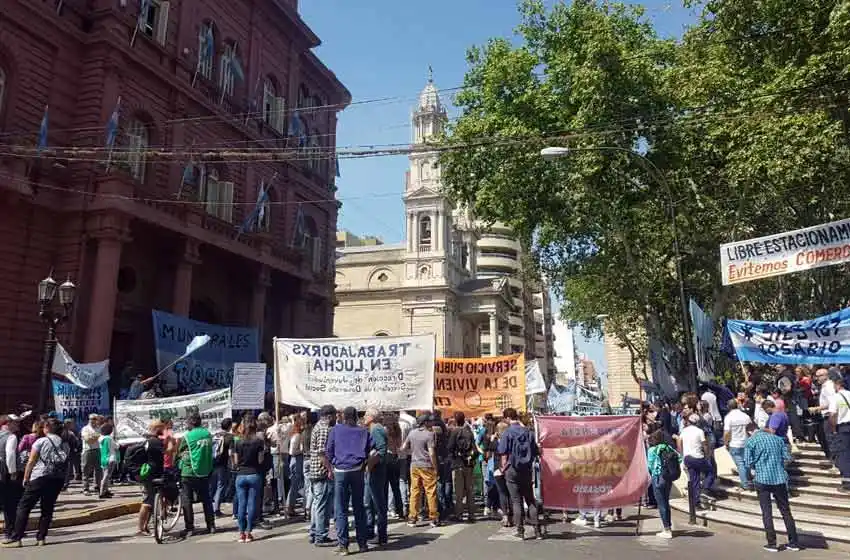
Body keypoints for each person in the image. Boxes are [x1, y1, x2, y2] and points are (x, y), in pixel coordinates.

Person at [2, 418, 69, 548]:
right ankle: (41, 537)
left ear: (47, 428)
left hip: (40, 476)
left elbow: (31, 461)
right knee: (47, 508)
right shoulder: (64, 443)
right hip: (57, 478)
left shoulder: (41, 441)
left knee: (24, 506)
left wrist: (26, 477)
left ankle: (16, 537)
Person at [745, 426, 801, 552]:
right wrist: (779, 465)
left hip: (762, 479)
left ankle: (772, 543)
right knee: (785, 511)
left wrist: (756, 466)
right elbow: (788, 457)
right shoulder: (778, 439)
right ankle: (794, 542)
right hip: (779, 478)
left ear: (750, 432)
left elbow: (748, 462)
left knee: (767, 511)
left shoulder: (751, 441)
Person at [326, 406, 371, 555]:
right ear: (356, 417)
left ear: (344, 417)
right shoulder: (363, 431)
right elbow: (369, 449)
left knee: (341, 509)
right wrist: (363, 463)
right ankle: (362, 543)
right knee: (359, 507)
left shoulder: (335, 430)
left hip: (340, 470)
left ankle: (343, 545)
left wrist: (333, 464)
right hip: (357, 470)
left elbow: (329, 450)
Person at [497, 407, 542, 541]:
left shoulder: (507, 433)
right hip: (526, 469)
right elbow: (536, 452)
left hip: (512, 469)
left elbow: (503, 453)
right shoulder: (528, 432)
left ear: (507, 418)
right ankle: (537, 530)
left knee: (516, 500)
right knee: (530, 499)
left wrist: (503, 468)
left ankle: (520, 531)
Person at [177, 413, 216, 537]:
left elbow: (180, 450)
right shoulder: (207, 434)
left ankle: (189, 528)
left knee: (187, 499)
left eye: (187, 422)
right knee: (206, 499)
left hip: (189, 471)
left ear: (191, 422)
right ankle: (211, 525)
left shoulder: (187, 436)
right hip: (205, 470)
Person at [402, 414, 439, 527]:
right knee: (430, 491)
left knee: (415, 491)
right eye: (429, 421)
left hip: (414, 465)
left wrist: (413, 452)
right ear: (425, 423)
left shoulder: (412, 433)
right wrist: (435, 467)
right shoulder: (429, 434)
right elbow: (431, 453)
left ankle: (412, 517)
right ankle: (433, 518)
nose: (431, 423)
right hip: (426, 465)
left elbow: (404, 447)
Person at [232, 414, 264, 543]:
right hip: (254, 473)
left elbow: (235, 461)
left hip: (240, 475)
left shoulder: (238, 442)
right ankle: (249, 532)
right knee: (252, 504)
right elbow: (260, 460)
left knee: (241, 504)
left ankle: (241, 533)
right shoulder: (258, 441)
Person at [308, 405, 336, 546]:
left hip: (315, 470)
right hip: (321, 471)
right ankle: (321, 536)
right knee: (322, 505)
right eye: (334, 416)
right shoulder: (324, 429)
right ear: (329, 416)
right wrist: (329, 469)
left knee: (317, 504)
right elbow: (322, 452)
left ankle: (314, 533)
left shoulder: (318, 426)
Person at [678, 413, 714, 511]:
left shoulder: (684, 430)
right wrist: (707, 455)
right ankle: (705, 489)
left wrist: (682, 454)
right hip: (698, 457)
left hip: (688, 458)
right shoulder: (700, 431)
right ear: (697, 423)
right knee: (711, 472)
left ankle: (696, 503)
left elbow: (679, 442)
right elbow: (704, 444)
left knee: (694, 480)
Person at [363, 408, 388, 546]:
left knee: (378, 504)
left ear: (372, 417)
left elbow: (381, 451)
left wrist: (370, 465)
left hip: (376, 470)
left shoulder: (376, 429)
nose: (364, 417)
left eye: (366, 415)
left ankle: (381, 535)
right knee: (368, 502)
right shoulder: (374, 429)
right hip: (373, 470)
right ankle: (369, 531)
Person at [136, 421, 166, 536]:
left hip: (147, 473)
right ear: (158, 429)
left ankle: (145, 526)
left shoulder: (147, 441)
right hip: (153, 474)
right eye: (162, 429)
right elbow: (165, 454)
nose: (164, 431)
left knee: (150, 500)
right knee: (148, 501)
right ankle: (140, 529)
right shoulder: (156, 442)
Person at [646, 430, 677, 539]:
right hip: (668, 478)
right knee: (666, 502)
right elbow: (679, 458)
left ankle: (667, 529)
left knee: (661, 504)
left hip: (658, 478)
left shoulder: (652, 450)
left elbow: (649, 466)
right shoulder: (668, 448)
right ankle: (668, 526)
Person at [447, 411, 477, 522]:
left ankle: (459, 514)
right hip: (469, 464)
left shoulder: (454, 432)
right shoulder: (469, 431)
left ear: (455, 420)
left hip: (457, 464)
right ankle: (471, 514)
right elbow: (474, 448)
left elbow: (450, 447)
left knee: (458, 492)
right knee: (470, 490)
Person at [724, 398, 755, 491]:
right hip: (746, 442)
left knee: (740, 464)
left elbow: (726, 433)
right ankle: (749, 481)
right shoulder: (745, 416)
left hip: (734, 444)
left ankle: (745, 484)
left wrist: (726, 443)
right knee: (747, 463)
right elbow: (751, 429)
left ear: (728, 407)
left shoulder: (728, 417)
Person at [0, 416, 22, 542]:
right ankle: (10, 531)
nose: (17, 425)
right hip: (5, 471)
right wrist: (12, 471)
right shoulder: (11, 437)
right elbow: (10, 454)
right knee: (10, 504)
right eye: (14, 423)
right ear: (7, 423)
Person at [828, 374, 850, 493]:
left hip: (843, 428)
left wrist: (833, 429)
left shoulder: (835, 397)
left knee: (844, 456)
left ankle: (847, 484)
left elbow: (832, 415)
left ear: (838, 385)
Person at [211, 418, 234, 516]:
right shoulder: (230, 437)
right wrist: (233, 464)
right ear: (230, 426)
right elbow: (230, 453)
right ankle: (216, 509)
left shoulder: (215, 435)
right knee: (221, 486)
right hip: (223, 464)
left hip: (212, 463)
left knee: (213, 486)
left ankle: (210, 508)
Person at [80, 414, 102, 496]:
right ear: (89, 419)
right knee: (86, 470)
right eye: (91, 419)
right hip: (87, 450)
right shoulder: (85, 428)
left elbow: (96, 438)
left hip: (98, 449)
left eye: (95, 419)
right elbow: (88, 440)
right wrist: (97, 436)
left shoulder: (99, 428)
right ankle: (85, 488)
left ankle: (97, 486)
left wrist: (93, 436)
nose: (93, 420)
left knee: (98, 469)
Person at [98, 423, 119, 498]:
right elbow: (116, 446)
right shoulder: (109, 438)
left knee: (105, 475)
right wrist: (117, 442)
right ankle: (102, 492)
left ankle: (106, 490)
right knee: (107, 476)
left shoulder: (101, 438)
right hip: (110, 458)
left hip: (103, 458)